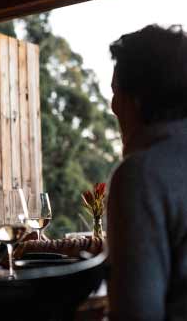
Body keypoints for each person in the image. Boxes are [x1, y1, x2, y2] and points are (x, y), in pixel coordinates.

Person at [107, 24, 187, 320]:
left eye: (116, 92)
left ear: (137, 100)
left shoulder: (141, 177)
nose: (112, 105)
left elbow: (136, 314)